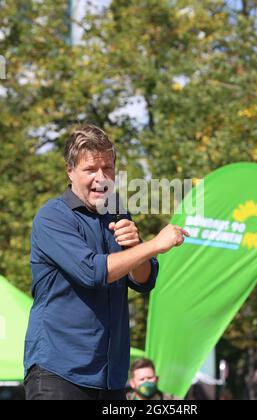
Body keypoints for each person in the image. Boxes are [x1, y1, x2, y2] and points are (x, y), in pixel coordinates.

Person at [24, 124, 189, 400]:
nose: (101, 178)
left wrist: (135, 247)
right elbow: (92, 272)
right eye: (90, 170)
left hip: (111, 378)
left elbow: (144, 280)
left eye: (108, 168)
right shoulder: (52, 217)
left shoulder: (117, 211)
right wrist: (154, 245)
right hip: (59, 373)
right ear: (70, 170)